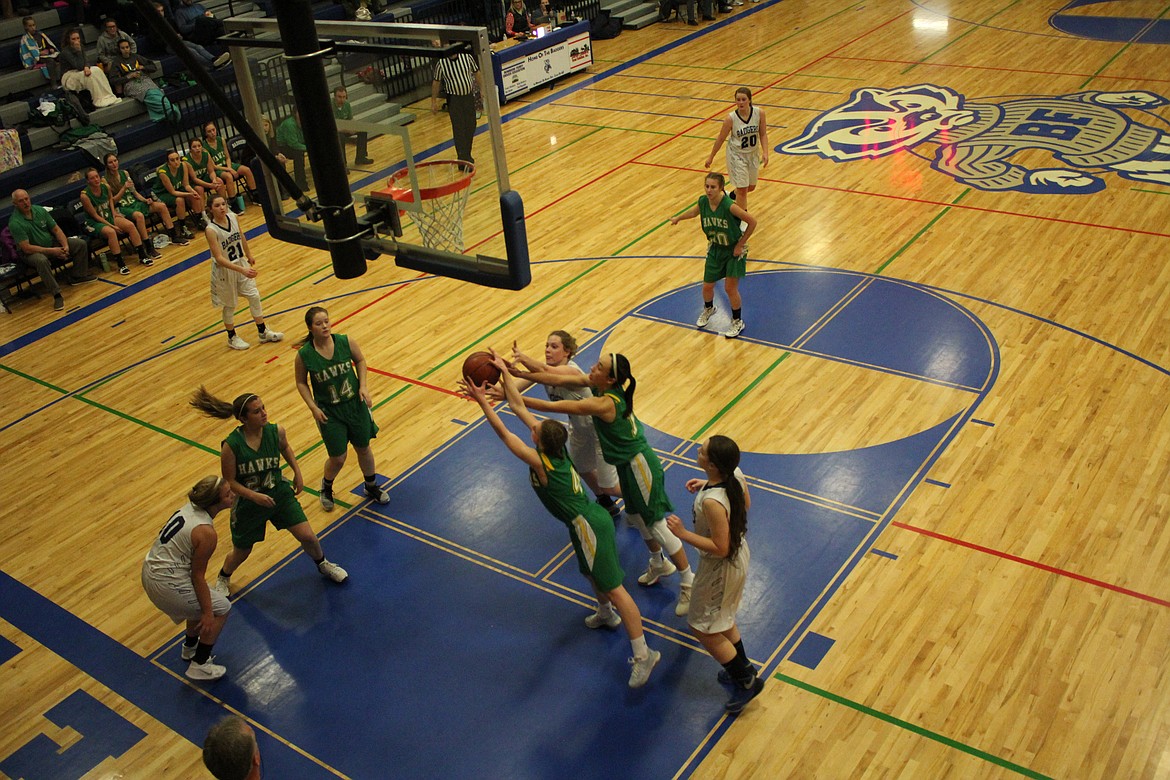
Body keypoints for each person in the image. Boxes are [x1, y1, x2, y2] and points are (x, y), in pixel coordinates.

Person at [461, 357, 662, 688]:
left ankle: (644, 654)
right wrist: (504, 372)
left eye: (535, 429)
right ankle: (605, 613)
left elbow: (502, 430)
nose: (532, 426)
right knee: (590, 572)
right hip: (585, 522)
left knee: (616, 589)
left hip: (588, 524)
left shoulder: (541, 464)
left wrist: (484, 401)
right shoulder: (556, 452)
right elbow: (517, 408)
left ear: (538, 443)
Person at [504, 353, 696, 615]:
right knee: (637, 517)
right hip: (628, 466)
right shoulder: (600, 384)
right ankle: (658, 563)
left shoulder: (605, 403)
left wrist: (512, 398)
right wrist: (520, 375)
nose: (592, 368)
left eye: (599, 367)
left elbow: (555, 408)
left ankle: (688, 581)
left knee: (656, 524)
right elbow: (550, 375)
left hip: (640, 465)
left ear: (611, 378)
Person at [190, 387, 348, 596]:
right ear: (243, 419)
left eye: (263, 408)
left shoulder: (276, 431)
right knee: (242, 551)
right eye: (257, 411)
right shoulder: (231, 445)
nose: (264, 412)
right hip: (249, 502)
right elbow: (230, 481)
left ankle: (323, 564)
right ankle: (223, 577)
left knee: (308, 536)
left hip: (278, 493)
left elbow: (286, 448)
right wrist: (254, 496)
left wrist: (297, 471)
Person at [665, 435, 763, 712]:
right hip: (737, 557)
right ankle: (742, 668)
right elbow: (745, 504)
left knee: (701, 626)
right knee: (723, 617)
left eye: (703, 451)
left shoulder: (712, 503)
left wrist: (683, 534)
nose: (698, 450)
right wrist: (706, 484)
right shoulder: (734, 475)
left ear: (712, 464)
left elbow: (720, 547)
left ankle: (745, 681)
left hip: (722, 566)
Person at [508, 332, 622, 520]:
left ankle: (640, 501)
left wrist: (523, 359)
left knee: (610, 484)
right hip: (578, 428)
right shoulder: (544, 372)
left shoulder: (571, 370)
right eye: (546, 345)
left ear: (567, 351)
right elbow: (515, 387)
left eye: (554, 346)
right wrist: (491, 383)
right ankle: (605, 502)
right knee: (581, 467)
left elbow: (545, 372)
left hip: (599, 430)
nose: (547, 350)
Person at [294, 306, 390, 511]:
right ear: (310, 328)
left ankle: (371, 485)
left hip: (354, 405)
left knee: (363, 447)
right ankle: (326, 488)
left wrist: (363, 386)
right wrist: (312, 407)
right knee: (338, 457)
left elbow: (361, 360)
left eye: (326, 321)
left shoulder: (345, 341)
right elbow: (301, 382)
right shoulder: (304, 355)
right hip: (329, 412)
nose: (325, 326)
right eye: (319, 323)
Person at [141, 475, 235, 681]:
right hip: (166, 582)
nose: (233, 495)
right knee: (221, 608)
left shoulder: (189, 510)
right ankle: (199, 665)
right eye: (228, 494)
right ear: (214, 503)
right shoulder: (206, 533)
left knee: (201, 601)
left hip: (150, 570)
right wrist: (209, 613)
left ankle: (190, 647)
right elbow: (197, 576)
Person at [670, 171, 756, 339]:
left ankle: (737, 321)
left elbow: (752, 222)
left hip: (733, 251)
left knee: (730, 288)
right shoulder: (703, 202)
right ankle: (709, 309)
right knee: (707, 286)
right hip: (716, 248)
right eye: (707, 186)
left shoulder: (729, 206)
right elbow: (694, 213)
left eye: (713, 187)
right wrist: (678, 218)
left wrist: (740, 244)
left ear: (721, 188)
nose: (709, 190)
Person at [204, 195, 283, 351]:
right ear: (211, 209)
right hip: (224, 271)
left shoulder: (233, 217)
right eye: (217, 205)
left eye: (223, 204)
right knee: (230, 305)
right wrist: (242, 269)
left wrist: (248, 254)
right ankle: (232, 337)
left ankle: (262, 331)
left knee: (254, 295)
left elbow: (241, 236)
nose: (221, 207)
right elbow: (219, 258)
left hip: (240, 263)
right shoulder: (211, 230)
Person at [7, 189, 96, 312]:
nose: (25, 203)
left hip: (50, 243)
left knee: (79, 244)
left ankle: (78, 276)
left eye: (26, 199)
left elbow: (56, 230)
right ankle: (56, 294)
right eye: (21, 201)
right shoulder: (15, 222)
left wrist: (65, 247)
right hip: (31, 253)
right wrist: (52, 251)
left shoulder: (40, 210)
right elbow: (26, 248)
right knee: (41, 260)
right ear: (15, 204)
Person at [80, 167, 157, 275]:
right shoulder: (85, 195)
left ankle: (142, 255)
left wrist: (113, 213)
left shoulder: (105, 187)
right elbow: (95, 216)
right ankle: (121, 264)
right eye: (92, 178)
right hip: (95, 222)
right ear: (88, 181)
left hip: (109, 215)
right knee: (111, 232)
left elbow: (110, 200)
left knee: (130, 225)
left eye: (97, 176)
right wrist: (112, 225)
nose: (96, 180)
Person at [703, 87, 768, 213]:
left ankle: (732, 196)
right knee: (743, 190)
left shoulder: (759, 113)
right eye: (738, 100)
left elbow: (763, 134)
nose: (741, 102)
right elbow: (721, 139)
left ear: (749, 100)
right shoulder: (730, 119)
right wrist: (711, 157)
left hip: (753, 154)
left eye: (744, 99)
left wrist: (765, 152)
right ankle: (742, 219)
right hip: (737, 155)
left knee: (751, 187)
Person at [104, 152, 191, 247]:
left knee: (161, 206)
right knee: (139, 216)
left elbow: (135, 193)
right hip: (122, 207)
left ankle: (174, 236)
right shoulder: (105, 180)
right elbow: (111, 201)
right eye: (110, 162)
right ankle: (148, 244)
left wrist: (145, 200)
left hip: (134, 202)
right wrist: (123, 188)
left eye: (115, 161)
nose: (114, 164)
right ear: (106, 165)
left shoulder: (125, 173)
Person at [431, 40, 481, 168]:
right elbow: (436, 82)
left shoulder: (466, 57)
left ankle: (466, 154)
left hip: (468, 96)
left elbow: (477, 72)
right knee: (459, 128)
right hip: (454, 99)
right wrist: (434, 101)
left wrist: (482, 90)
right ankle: (463, 158)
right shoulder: (441, 63)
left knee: (471, 125)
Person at [58, 27, 121, 109]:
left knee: (97, 70)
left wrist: (87, 67)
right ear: (68, 40)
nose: (76, 41)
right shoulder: (65, 52)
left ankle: (107, 95)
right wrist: (78, 51)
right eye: (73, 39)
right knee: (89, 76)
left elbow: (86, 61)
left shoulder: (81, 46)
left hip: (80, 70)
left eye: (78, 38)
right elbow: (79, 65)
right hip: (69, 76)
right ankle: (97, 100)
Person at [203, 122, 257, 214]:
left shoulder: (221, 140)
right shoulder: (204, 146)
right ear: (205, 134)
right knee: (228, 176)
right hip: (217, 169)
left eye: (213, 130)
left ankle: (255, 195)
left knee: (246, 170)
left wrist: (229, 167)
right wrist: (229, 170)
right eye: (209, 131)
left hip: (227, 165)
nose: (212, 132)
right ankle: (232, 203)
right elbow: (213, 166)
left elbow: (227, 157)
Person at [153, 149, 206, 236]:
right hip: (161, 193)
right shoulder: (163, 173)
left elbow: (186, 185)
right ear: (168, 162)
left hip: (178, 188)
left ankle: (199, 219)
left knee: (195, 194)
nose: (176, 162)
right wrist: (189, 194)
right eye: (172, 160)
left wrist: (193, 192)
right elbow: (173, 192)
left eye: (177, 159)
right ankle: (182, 227)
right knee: (179, 200)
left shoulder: (183, 165)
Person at [333, 86, 373, 168]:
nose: (342, 99)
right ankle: (343, 165)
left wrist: (355, 126)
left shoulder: (347, 105)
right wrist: (348, 130)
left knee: (362, 130)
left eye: (344, 97)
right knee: (340, 138)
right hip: (334, 131)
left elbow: (351, 119)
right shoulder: (330, 106)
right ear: (335, 97)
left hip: (344, 128)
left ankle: (360, 158)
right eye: (339, 97)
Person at [184, 138, 228, 205]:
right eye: (194, 147)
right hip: (193, 183)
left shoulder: (206, 154)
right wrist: (210, 185)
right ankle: (203, 213)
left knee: (219, 182)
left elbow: (211, 171)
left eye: (199, 146)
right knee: (200, 189)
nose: (197, 148)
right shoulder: (187, 161)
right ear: (190, 149)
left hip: (204, 177)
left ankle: (225, 205)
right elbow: (194, 179)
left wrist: (214, 180)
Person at [275, 107, 309, 190]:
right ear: (295, 114)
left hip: (298, 144)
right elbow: (293, 144)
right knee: (298, 153)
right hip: (282, 147)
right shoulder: (289, 124)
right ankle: (301, 183)